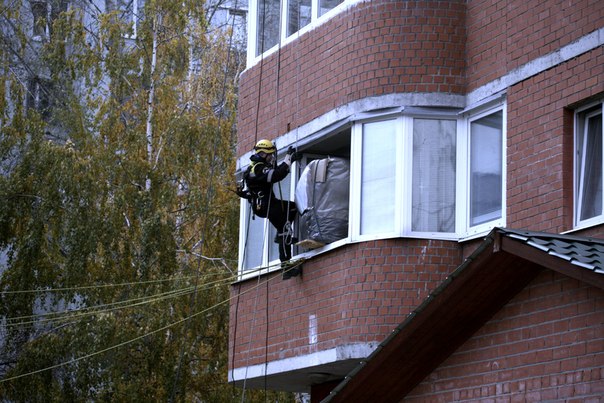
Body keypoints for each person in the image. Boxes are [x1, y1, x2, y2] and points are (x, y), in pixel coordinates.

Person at [237, 139, 302, 278]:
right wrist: (288, 159)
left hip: (264, 205)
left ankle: (282, 239)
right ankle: (286, 266)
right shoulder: (259, 168)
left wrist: (289, 162)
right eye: (270, 154)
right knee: (285, 223)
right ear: (263, 154)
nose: (272, 157)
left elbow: (271, 172)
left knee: (290, 209)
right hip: (267, 206)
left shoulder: (253, 167)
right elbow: (276, 175)